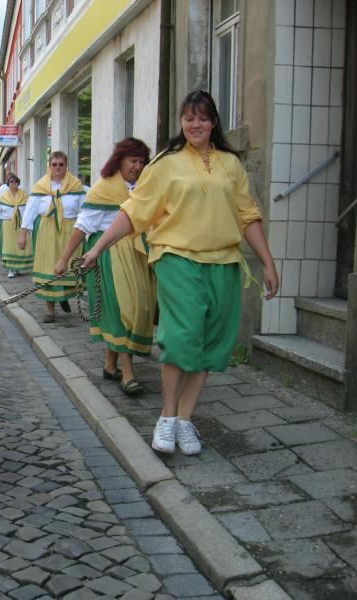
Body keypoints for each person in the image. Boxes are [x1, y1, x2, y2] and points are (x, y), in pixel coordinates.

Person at [81, 90, 278, 456]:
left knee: (210, 343)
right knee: (182, 338)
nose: (195, 124)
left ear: (214, 122)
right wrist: (97, 248)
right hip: (176, 259)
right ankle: (167, 416)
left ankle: (185, 419)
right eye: (189, 118)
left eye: (202, 118)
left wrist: (268, 262)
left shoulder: (230, 165)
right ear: (181, 122)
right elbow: (134, 211)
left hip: (223, 263)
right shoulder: (165, 164)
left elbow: (248, 216)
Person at [55, 138, 155, 397]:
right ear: (119, 160)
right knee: (121, 310)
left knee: (136, 308)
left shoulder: (143, 187)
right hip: (108, 256)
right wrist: (64, 259)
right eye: (133, 161)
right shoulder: (103, 189)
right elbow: (82, 227)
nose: (137, 166)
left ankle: (110, 366)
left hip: (136, 255)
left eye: (142, 162)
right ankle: (128, 374)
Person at [18, 150, 86, 323]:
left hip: (70, 232)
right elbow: (30, 211)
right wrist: (23, 234)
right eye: (54, 164)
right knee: (48, 269)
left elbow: (84, 212)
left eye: (61, 164)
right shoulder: (41, 187)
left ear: (66, 166)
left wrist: (88, 234)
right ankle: (50, 311)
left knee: (67, 267)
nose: (57, 167)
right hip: (46, 232)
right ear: (49, 166)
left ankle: (62, 297)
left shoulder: (76, 186)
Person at [0, 174, 31, 278]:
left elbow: (28, 211)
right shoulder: (4, 196)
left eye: (15, 181)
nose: (13, 183)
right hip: (7, 224)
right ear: (8, 183)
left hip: (20, 224)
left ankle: (17, 268)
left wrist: (28, 224)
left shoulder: (24, 196)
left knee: (19, 247)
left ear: (18, 183)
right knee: (9, 247)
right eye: (11, 181)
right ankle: (10, 269)